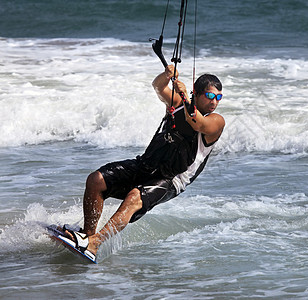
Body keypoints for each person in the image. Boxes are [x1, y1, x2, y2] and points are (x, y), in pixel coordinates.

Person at [60, 65, 225, 261]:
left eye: (218, 97)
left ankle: (95, 244)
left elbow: (197, 123)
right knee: (96, 180)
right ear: (196, 93)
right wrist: (167, 75)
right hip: (147, 164)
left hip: (171, 179)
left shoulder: (216, 121)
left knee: (133, 197)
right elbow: (158, 86)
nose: (214, 102)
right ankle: (86, 236)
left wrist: (186, 99)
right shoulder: (178, 103)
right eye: (210, 96)